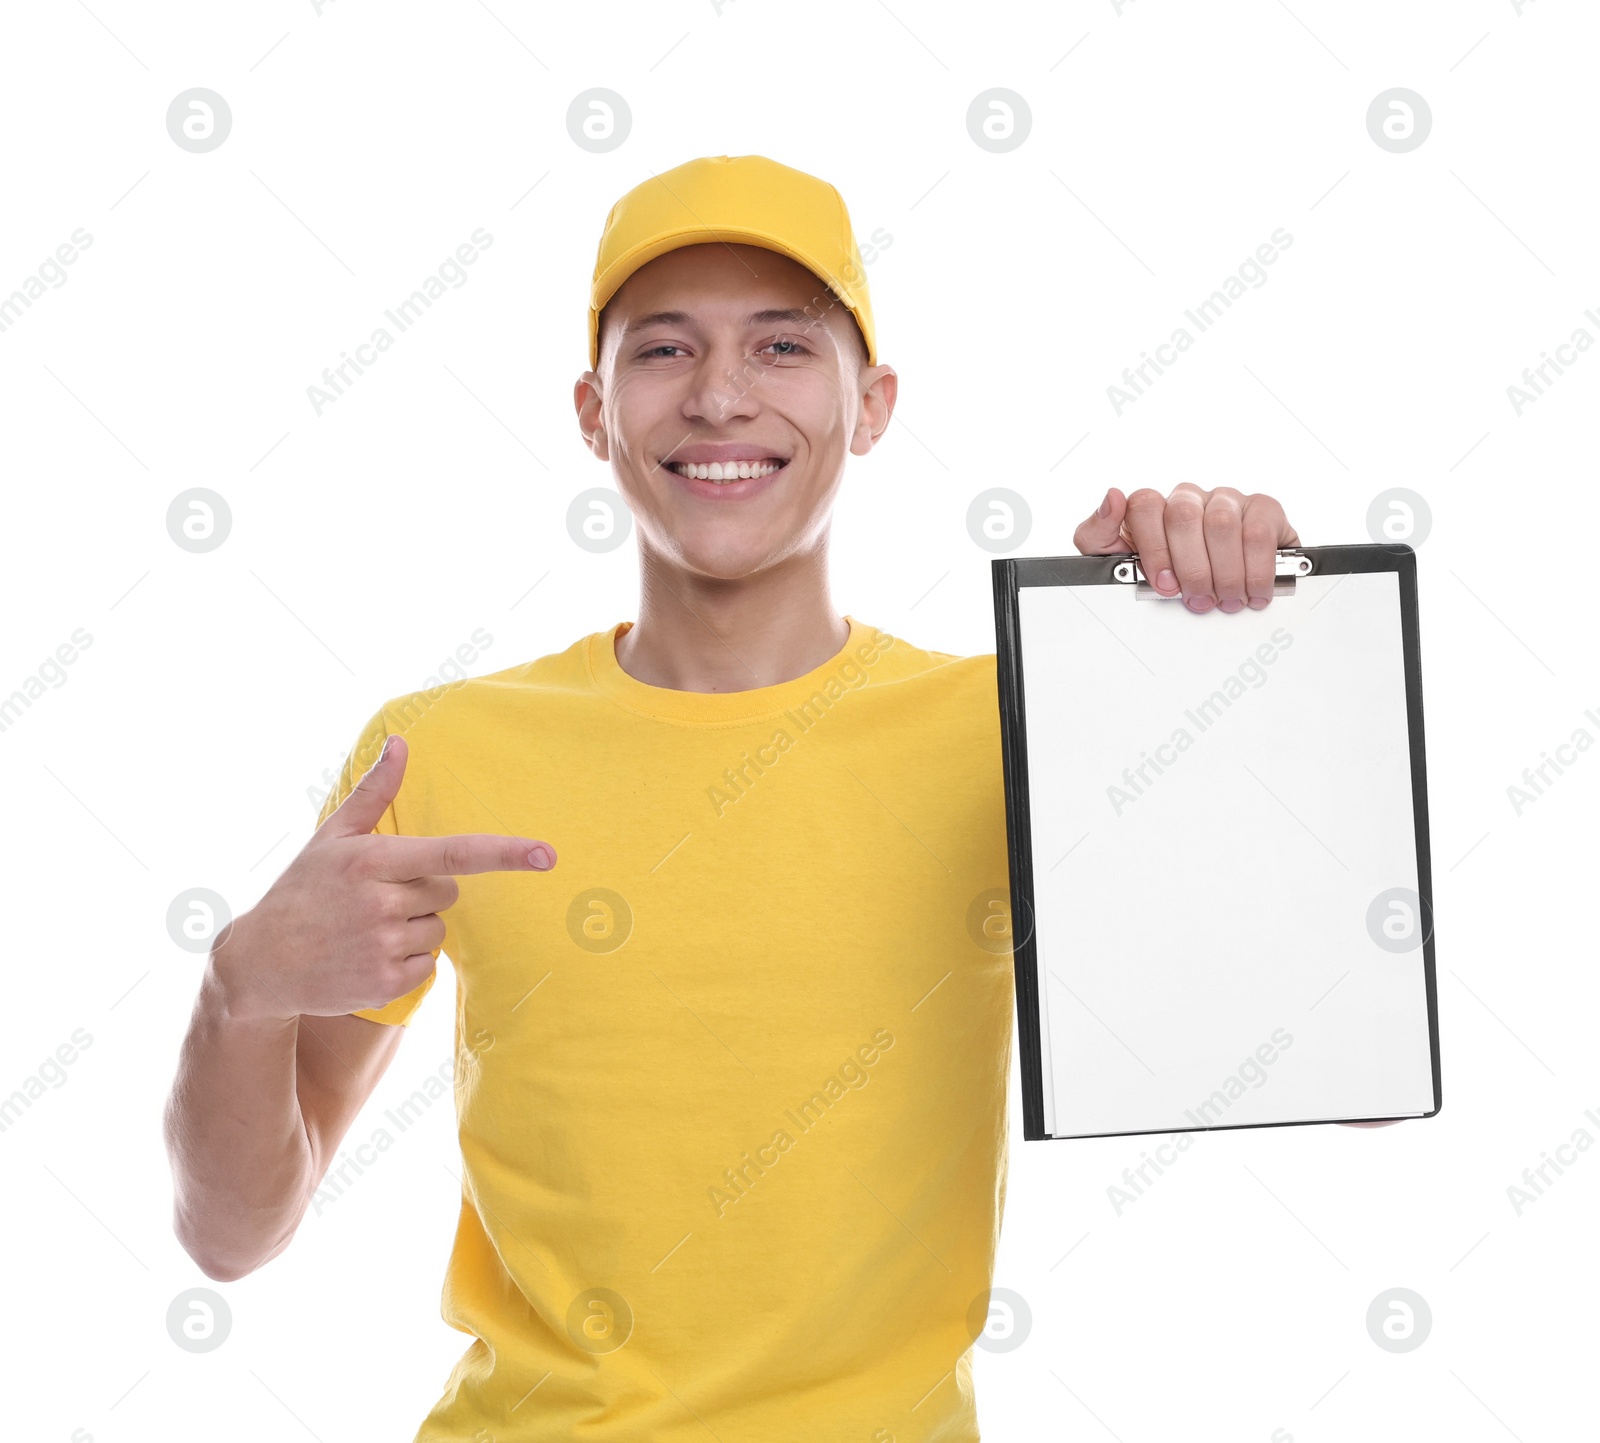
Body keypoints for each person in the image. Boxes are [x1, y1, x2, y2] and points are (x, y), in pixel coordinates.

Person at [164, 154, 1333, 1442]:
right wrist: (239, 989)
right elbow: (234, 1238)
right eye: (663, 351)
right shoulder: (439, 751)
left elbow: (1325, 1052)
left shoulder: (1015, 727)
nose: (719, 397)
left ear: (873, 403)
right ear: (593, 411)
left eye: (781, 346)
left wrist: (1210, 660)